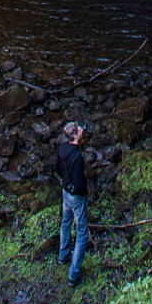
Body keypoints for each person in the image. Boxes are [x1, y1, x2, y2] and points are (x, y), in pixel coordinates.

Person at [55, 121, 89, 287]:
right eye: (80, 129)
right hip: (76, 197)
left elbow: (58, 170)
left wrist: (65, 184)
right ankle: (73, 275)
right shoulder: (77, 157)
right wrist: (83, 192)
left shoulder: (62, 149)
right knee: (82, 233)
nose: (82, 130)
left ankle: (63, 256)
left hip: (65, 193)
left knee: (65, 224)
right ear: (75, 135)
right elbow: (78, 184)